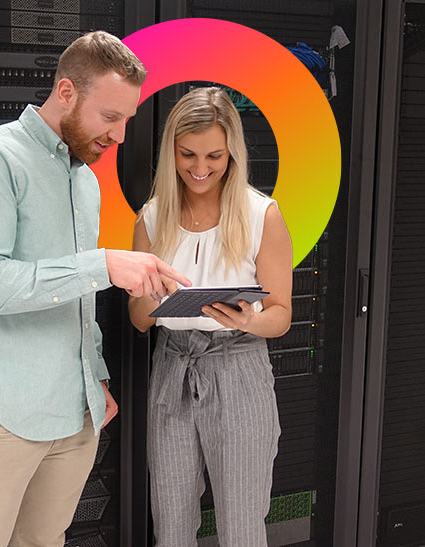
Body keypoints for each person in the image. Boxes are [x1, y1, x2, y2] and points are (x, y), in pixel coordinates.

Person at [0, 31, 191, 547]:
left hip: (74, 414)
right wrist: (101, 265)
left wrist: (93, 375)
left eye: (127, 120)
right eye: (110, 117)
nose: (119, 135)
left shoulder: (85, 181)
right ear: (68, 92)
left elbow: (73, 300)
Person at [128, 87, 294, 546]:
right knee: (172, 525)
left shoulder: (263, 215)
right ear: (171, 152)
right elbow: (140, 320)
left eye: (214, 156)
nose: (200, 168)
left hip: (238, 366)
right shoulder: (152, 217)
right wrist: (149, 293)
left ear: (232, 154)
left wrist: (247, 321)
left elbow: (280, 315)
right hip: (173, 367)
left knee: (242, 525)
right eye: (188, 155)